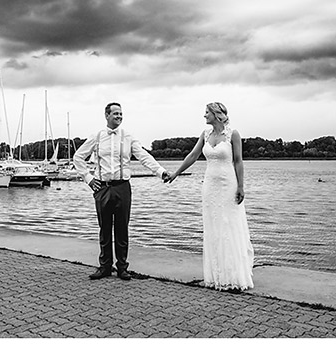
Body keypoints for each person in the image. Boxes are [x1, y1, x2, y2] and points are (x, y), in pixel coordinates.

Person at [72, 102, 171, 281]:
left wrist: (160, 172)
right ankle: (104, 267)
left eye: (121, 114)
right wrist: (88, 178)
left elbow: (143, 156)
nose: (119, 116)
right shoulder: (97, 136)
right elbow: (78, 157)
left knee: (122, 228)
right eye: (115, 113)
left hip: (123, 187)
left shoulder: (128, 137)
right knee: (104, 229)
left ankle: (123, 267)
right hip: (102, 188)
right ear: (106, 115)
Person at [166, 101, 254, 291]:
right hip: (210, 187)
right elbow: (192, 155)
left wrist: (241, 186)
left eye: (207, 112)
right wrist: (176, 173)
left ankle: (234, 275)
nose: (204, 115)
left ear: (217, 114)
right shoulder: (205, 134)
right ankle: (217, 275)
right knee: (214, 227)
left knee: (229, 226)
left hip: (228, 185)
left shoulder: (233, 134)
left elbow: (238, 161)